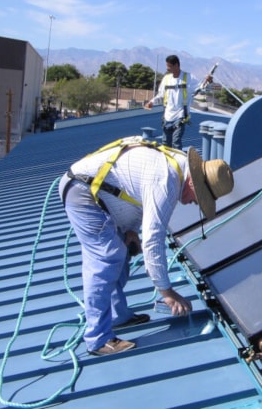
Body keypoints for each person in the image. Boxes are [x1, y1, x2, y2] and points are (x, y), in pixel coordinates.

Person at [59, 138, 234, 356]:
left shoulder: (179, 165)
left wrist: (131, 229)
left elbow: (136, 193)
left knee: (121, 251)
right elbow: (153, 239)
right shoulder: (167, 180)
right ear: (194, 184)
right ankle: (97, 340)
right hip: (83, 192)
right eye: (202, 198)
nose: (196, 204)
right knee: (107, 257)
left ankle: (117, 316)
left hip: (99, 192)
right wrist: (166, 291)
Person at [144, 55, 212, 150]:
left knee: (176, 142)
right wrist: (151, 102)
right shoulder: (166, 79)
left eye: (169, 67)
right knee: (165, 143)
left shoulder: (188, 77)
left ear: (176, 65)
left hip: (180, 116)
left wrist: (207, 81)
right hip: (167, 116)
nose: (167, 69)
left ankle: (177, 163)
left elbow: (200, 87)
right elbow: (160, 94)